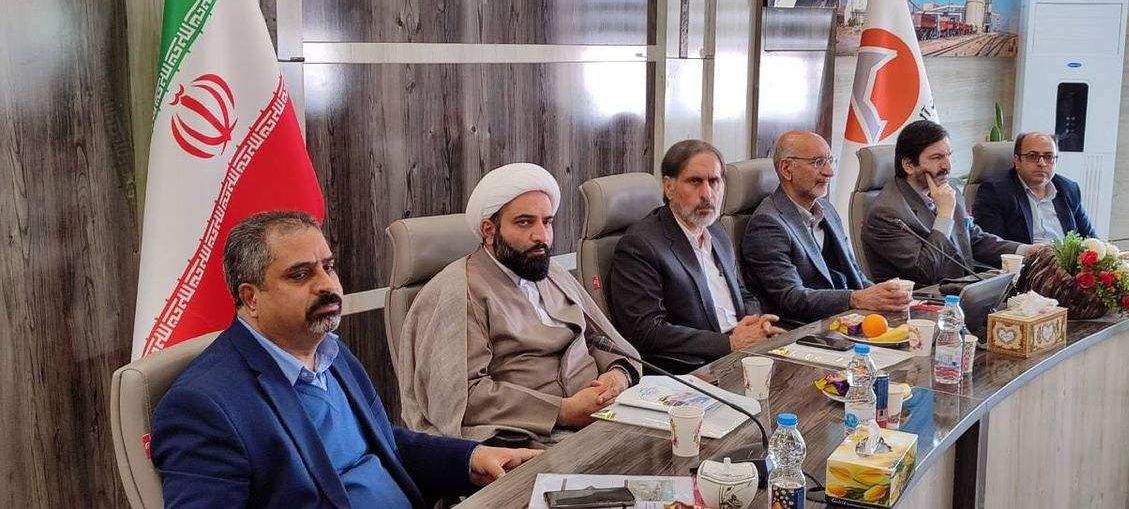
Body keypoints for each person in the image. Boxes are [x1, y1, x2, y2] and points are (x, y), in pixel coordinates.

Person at [151, 211, 540, 508]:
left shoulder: (331, 353)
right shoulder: (202, 406)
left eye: (328, 267)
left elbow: (385, 445)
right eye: (300, 275)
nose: (327, 285)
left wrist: (472, 457)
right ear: (251, 298)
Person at [398, 163, 641, 447]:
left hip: (603, 417)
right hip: (529, 439)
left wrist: (618, 375)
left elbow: (599, 340)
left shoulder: (551, 272)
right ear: (489, 231)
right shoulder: (458, 291)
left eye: (547, 222)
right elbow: (463, 397)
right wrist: (563, 411)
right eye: (525, 222)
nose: (542, 236)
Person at [609, 140, 783, 372]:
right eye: (695, 181)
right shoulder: (640, 245)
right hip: (696, 367)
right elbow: (646, 330)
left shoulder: (717, 230)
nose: (707, 194)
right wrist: (730, 343)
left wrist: (755, 323)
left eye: (714, 181)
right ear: (669, 187)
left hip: (744, 352)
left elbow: (742, 293)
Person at [742, 131, 910, 323]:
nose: (829, 172)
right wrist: (855, 299)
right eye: (818, 162)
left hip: (848, 319)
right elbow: (792, 297)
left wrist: (885, 297)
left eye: (830, 161)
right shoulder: (767, 224)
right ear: (787, 169)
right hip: (806, 328)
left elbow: (854, 273)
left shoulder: (827, 209)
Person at [862, 121, 1045, 286]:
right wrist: (944, 215)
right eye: (936, 158)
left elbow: (972, 238)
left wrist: (1025, 251)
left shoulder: (948, 190)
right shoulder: (886, 213)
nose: (947, 166)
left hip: (963, 291)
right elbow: (925, 271)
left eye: (948, 156)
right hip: (922, 301)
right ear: (909, 165)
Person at [972, 131, 1097, 243]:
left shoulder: (1069, 189)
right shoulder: (995, 191)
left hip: (1066, 260)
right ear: (1017, 161)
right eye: (1032, 156)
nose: (1042, 163)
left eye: (1049, 157)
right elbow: (990, 246)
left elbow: (1091, 240)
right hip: (1025, 260)